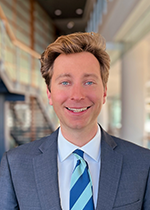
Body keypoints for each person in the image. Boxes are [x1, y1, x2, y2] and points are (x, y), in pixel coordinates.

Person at [0, 32, 150, 210]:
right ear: (49, 94)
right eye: (65, 82)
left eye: (89, 82)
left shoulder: (143, 164)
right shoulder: (15, 165)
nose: (77, 96)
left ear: (104, 92)